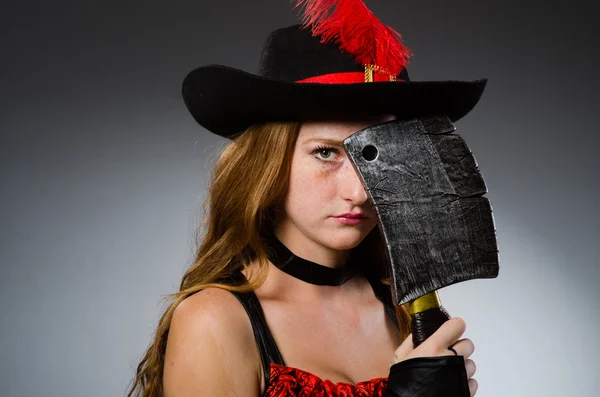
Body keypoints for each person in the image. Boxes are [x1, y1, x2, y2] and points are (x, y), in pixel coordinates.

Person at [127, 2, 486, 396]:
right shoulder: (214, 320)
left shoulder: (403, 310)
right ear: (269, 162)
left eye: (376, 157)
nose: (360, 191)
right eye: (326, 153)